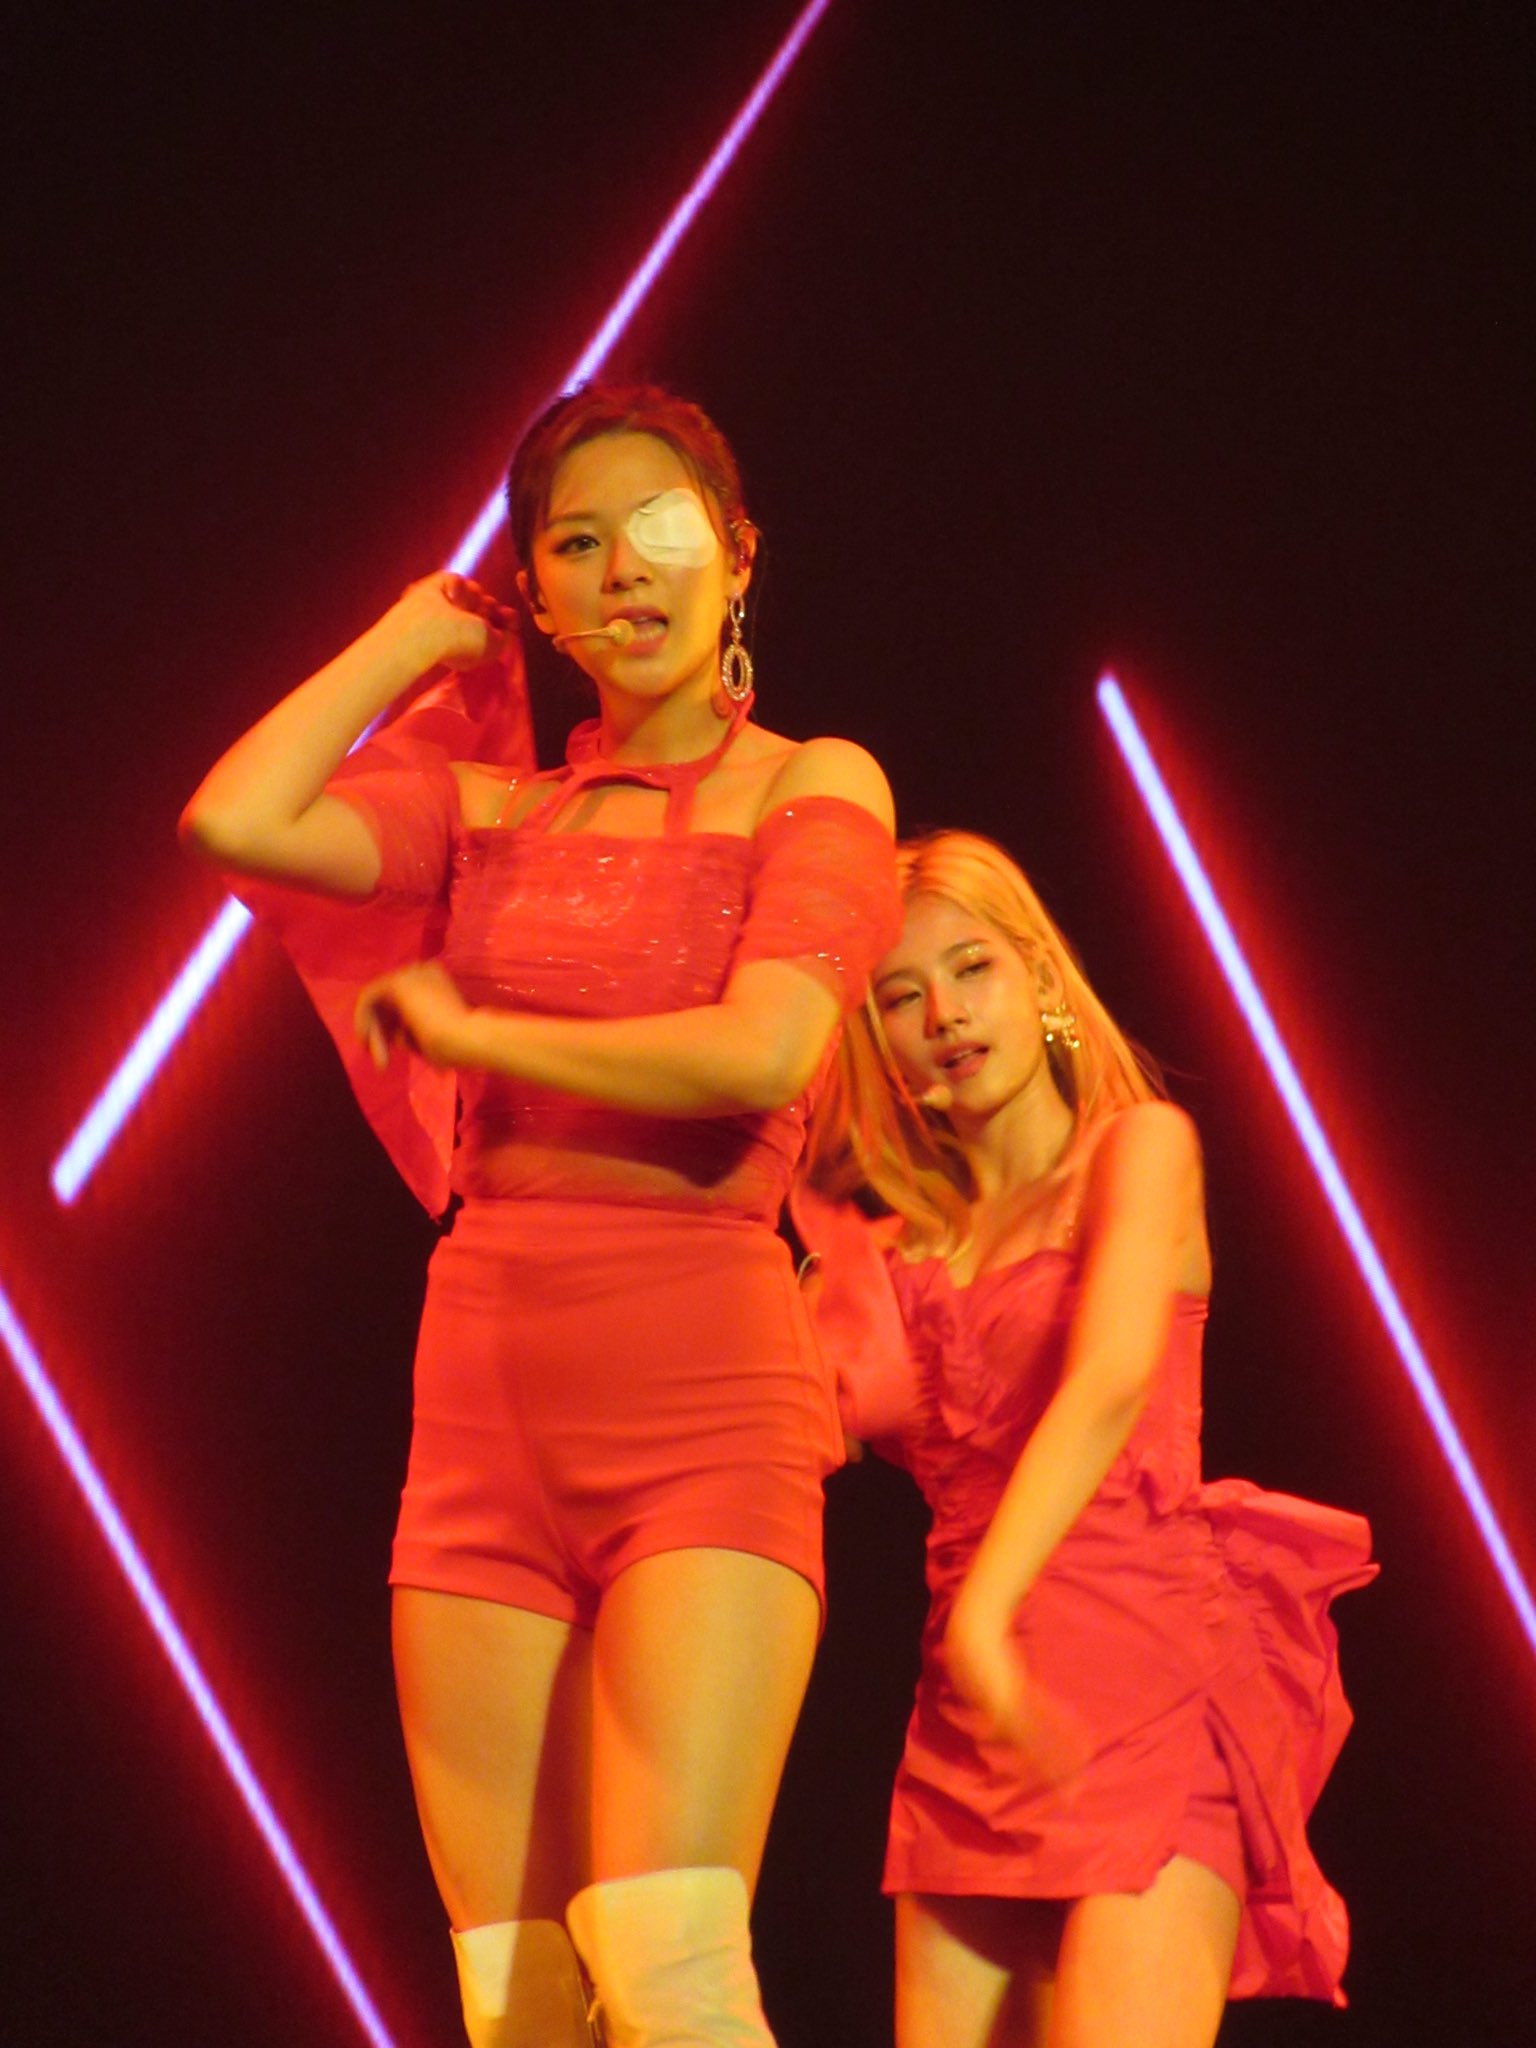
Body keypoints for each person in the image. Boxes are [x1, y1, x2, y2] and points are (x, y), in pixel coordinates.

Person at [179, 383, 900, 2048]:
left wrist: (482, 1033)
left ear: (737, 559)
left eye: (660, 529)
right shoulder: (487, 811)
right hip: (484, 1405)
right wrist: (409, 639)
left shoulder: (814, 782)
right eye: (576, 544)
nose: (622, 569)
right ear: (542, 596)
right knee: (515, 2002)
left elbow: (763, 1049)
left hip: (704, 1395)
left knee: (666, 1960)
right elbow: (234, 818)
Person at [793, 830, 1375, 2048]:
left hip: (1144, 1682)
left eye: (973, 968)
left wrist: (988, 1612)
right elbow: (775, 1437)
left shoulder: (1139, 1148)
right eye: (901, 995)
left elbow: (1109, 1380)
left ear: (1043, 976)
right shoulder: (892, 1254)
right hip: (967, 1729)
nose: (945, 1014)